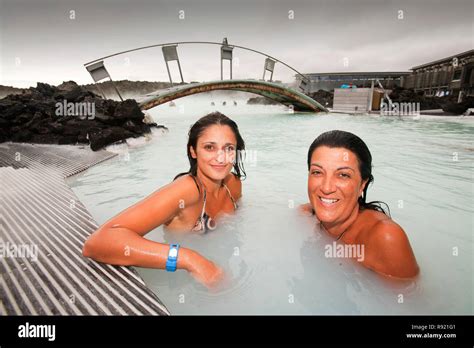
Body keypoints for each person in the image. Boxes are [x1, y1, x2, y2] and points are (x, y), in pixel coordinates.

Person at [82, 112, 245, 288]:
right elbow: (97, 242)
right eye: (209, 147)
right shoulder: (187, 190)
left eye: (228, 148)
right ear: (193, 151)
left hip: (222, 270)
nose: (221, 158)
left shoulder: (233, 185)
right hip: (182, 282)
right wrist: (190, 259)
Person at [300, 130, 419, 278]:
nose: (326, 187)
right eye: (317, 172)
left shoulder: (386, 237)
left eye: (343, 175)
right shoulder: (306, 214)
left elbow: (409, 297)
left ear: (363, 184)